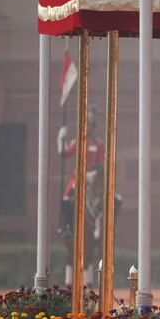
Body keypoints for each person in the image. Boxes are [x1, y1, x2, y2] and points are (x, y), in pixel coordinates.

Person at [57, 107, 106, 286]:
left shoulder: (99, 144)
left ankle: (100, 228)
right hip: (78, 180)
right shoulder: (78, 142)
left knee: (109, 199)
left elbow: (102, 163)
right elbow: (64, 154)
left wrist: (95, 173)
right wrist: (61, 139)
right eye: (87, 125)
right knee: (66, 199)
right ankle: (66, 227)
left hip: (93, 181)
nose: (89, 128)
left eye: (92, 125)